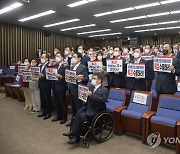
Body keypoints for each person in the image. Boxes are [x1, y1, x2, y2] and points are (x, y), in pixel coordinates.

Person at [63, 72, 109, 144]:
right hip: (88, 106)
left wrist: (92, 95)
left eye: (94, 79)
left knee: (81, 116)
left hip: (97, 109)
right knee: (78, 113)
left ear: (100, 80)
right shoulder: (90, 86)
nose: (92, 80)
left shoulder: (104, 89)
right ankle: (72, 132)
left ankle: (75, 135)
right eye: (92, 78)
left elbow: (103, 100)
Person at [67, 52, 89, 126]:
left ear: (79, 58)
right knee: (73, 108)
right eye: (72, 57)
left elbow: (86, 78)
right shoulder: (71, 67)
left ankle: (78, 122)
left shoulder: (83, 67)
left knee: (78, 108)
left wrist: (80, 78)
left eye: (75, 57)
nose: (73, 58)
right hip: (71, 89)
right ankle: (73, 121)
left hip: (78, 90)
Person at [52, 52, 68, 124]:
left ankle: (64, 117)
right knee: (57, 102)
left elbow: (67, 77)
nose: (56, 58)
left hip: (61, 86)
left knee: (62, 102)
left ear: (62, 58)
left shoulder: (65, 66)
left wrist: (61, 76)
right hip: (54, 86)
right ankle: (59, 115)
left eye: (58, 56)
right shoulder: (55, 65)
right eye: (56, 56)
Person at [38, 53, 52, 120]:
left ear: (46, 58)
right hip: (41, 84)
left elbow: (50, 74)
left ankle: (48, 113)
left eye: (43, 57)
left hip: (47, 85)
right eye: (41, 57)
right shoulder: (41, 65)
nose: (41, 59)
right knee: (42, 99)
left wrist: (43, 75)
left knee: (47, 100)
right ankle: (43, 111)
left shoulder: (49, 65)